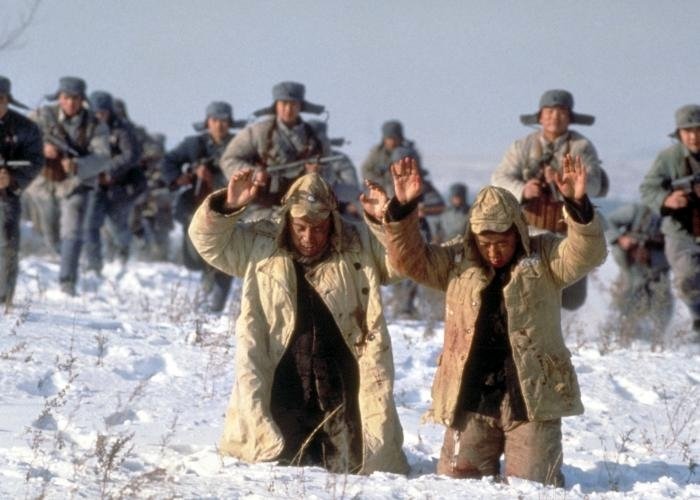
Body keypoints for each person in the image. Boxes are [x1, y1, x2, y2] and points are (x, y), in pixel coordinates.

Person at [362, 155, 606, 485]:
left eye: (502, 242)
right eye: (485, 243)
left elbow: (588, 253)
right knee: (456, 482)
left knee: (535, 485)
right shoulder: (455, 262)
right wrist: (403, 211)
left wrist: (578, 207)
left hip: (532, 397)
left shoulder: (545, 257)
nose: (493, 252)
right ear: (473, 236)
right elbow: (410, 260)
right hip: (473, 396)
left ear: (518, 232)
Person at [187, 171, 409, 475]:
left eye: (318, 228)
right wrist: (228, 205)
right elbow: (208, 242)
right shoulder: (261, 242)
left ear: (332, 220)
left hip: (341, 387)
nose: (308, 237)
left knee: (357, 466)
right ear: (288, 219)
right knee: (273, 462)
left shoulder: (358, 243)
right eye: (300, 227)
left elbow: (404, 261)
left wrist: (388, 221)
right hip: (281, 385)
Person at [491, 89, 608, 310]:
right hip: (529, 230)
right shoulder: (522, 146)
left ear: (570, 117)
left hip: (568, 232)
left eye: (561, 112)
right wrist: (523, 189)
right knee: (525, 290)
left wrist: (566, 183)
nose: (555, 117)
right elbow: (499, 179)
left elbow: (595, 184)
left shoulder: (581, 146)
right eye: (549, 112)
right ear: (540, 116)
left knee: (571, 299)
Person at [30, 76, 110, 295]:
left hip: (77, 183)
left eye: (75, 98)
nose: (70, 103)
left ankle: (67, 281)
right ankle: (64, 254)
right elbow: (22, 139)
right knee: (50, 230)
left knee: (72, 230)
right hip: (45, 183)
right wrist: (42, 148)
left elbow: (103, 157)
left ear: (82, 99)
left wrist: (77, 165)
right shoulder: (42, 116)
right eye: (66, 97)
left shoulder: (95, 125)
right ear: (59, 97)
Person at [161, 101, 244, 312]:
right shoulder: (194, 144)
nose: (219, 125)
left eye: (224, 121)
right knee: (194, 259)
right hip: (196, 208)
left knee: (222, 256)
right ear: (208, 122)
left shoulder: (240, 144)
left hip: (229, 208)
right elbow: (169, 161)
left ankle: (214, 304)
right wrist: (186, 176)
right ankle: (207, 296)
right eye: (215, 120)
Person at [640, 104, 700, 340]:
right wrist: (667, 200)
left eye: (698, 130)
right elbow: (648, 189)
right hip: (680, 231)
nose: (693, 136)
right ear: (679, 133)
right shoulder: (668, 158)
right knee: (686, 278)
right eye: (687, 131)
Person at [220, 81, 325, 209]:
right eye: (284, 103)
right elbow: (228, 160)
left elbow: (330, 173)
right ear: (276, 105)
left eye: (293, 104)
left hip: (303, 204)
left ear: (300, 106)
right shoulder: (258, 132)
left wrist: (316, 175)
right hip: (262, 205)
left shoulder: (315, 136)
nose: (288, 109)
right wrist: (253, 174)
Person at [83, 91, 144, 276]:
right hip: (95, 185)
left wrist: (108, 169)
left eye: (103, 112)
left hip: (120, 187)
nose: (99, 116)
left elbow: (131, 154)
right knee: (90, 224)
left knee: (117, 226)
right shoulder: (85, 129)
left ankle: (123, 253)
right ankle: (94, 265)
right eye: (96, 112)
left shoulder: (122, 130)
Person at [0, 76, 44, 308]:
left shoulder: (25, 128)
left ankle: (4, 297)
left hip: (6, 193)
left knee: (7, 241)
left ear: (7, 99)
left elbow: (35, 161)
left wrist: (12, 179)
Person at [605, 202, 671, 344]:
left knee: (662, 297)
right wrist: (620, 238)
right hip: (633, 259)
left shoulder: (678, 215)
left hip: (660, 263)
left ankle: (658, 335)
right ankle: (623, 329)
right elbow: (608, 221)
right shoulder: (637, 211)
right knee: (634, 287)